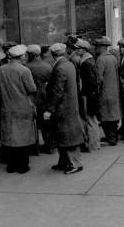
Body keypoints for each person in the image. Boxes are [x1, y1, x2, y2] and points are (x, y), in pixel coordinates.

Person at [0, 44, 37, 173]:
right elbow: (32, 89)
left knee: (10, 135)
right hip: (22, 105)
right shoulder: (24, 70)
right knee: (23, 136)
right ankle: (22, 165)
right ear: (21, 56)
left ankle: (11, 165)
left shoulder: (0, 70)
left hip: (7, 106)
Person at [44, 43, 84, 174]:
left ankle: (74, 164)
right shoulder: (69, 64)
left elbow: (57, 91)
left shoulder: (60, 68)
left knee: (67, 137)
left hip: (63, 107)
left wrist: (49, 110)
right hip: (70, 105)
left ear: (52, 54)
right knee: (64, 136)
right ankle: (64, 162)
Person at [26, 44, 54, 154]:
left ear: (31, 55)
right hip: (45, 97)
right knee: (47, 123)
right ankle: (49, 145)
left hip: (33, 98)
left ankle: (35, 147)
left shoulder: (27, 67)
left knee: (33, 123)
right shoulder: (48, 66)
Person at [94, 37, 121, 145]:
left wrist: (97, 90)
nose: (95, 49)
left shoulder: (100, 59)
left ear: (101, 47)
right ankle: (113, 136)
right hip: (114, 91)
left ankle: (111, 138)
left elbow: (99, 79)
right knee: (113, 115)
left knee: (105, 116)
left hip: (105, 93)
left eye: (96, 47)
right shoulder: (113, 58)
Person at [75, 38, 101, 151]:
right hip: (91, 95)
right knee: (92, 120)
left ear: (83, 50)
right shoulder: (89, 60)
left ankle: (93, 144)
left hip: (89, 95)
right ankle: (94, 143)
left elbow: (90, 82)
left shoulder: (86, 62)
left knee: (91, 120)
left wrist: (86, 95)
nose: (76, 51)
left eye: (78, 49)